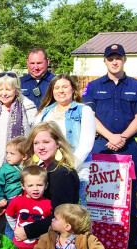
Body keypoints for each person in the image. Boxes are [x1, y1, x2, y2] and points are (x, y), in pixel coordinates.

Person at [82, 44, 137, 249]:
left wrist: (122, 137)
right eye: (110, 58)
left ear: (124, 60)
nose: (114, 62)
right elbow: (89, 115)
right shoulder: (92, 87)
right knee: (95, 192)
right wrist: (110, 136)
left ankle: (130, 238)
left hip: (128, 146)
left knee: (129, 193)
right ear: (104, 61)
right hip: (100, 145)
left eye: (118, 58)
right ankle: (95, 235)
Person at [14, 122, 80, 242]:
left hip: (55, 242)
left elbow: (62, 216)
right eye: (36, 143)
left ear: (58, 143)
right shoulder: (43, 168)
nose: (41, 147)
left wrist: (28, 231)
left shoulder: (62, 173)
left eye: (46, 142)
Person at [35, 74, 96, 206]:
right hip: (47, 170)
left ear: (73, 89)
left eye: (65, 87)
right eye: (57, 87)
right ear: (52, 91)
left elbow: (86, 144)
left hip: (76, 170)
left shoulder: (84, 111)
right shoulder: (44, 113)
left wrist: (68, 169)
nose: (60, 90)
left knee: (74, 214)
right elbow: (35, 140)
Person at [32, 204, 107, 249]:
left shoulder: (87, 238)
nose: (52, 220)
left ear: (67, 226)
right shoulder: (47, 237)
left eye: (56, 219)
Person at [5, 166, 52, 246]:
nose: (35, 189)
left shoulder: (49, 203)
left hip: (40, 247)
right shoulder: (17, 201)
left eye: (39, 185)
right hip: (19, 245)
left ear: (46, 185)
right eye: (30, 186)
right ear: (23, 186)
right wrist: (15, 228)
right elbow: (9, 214)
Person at [0, 136, 27, 237]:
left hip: (23, 200)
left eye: (12, 154)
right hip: (9, 200)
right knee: (9, 224)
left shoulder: (27, 167)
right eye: (7, 153)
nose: (8, 156)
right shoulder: (5, 169)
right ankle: (9, 242)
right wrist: (0, 198)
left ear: (24, 156)